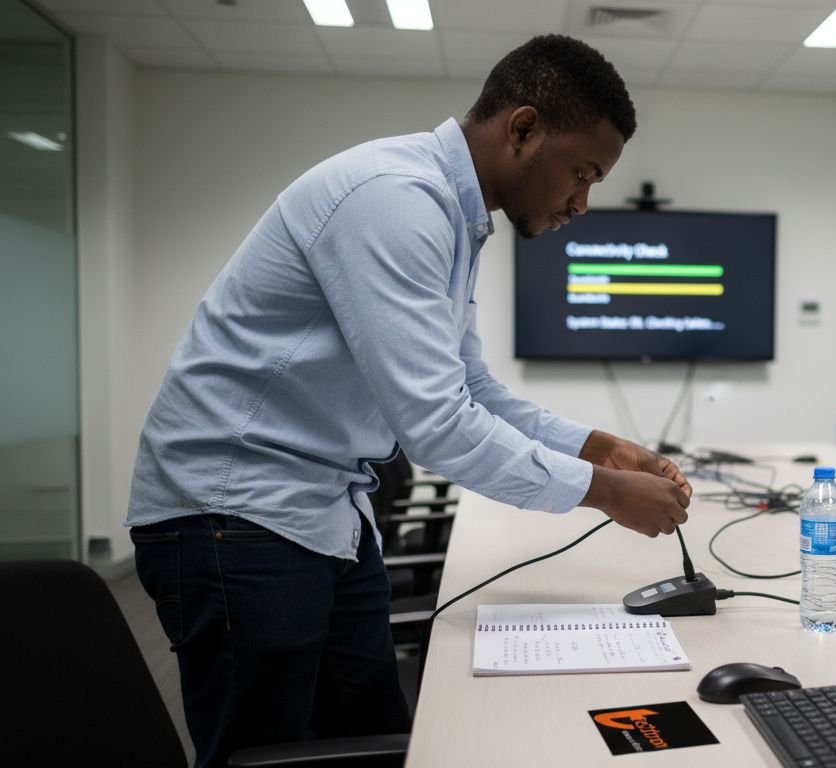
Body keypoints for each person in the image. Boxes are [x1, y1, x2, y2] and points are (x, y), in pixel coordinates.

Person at [125, 35, 691, 767]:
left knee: (369, 739)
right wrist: (606, 492)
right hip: (236, 511)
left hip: (323, 509)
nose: (582, 202)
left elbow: (470, 387)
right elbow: (436, 426)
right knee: (264, 753)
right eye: (581, 173)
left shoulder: (454, 216)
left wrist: (595, 447)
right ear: (522, 130)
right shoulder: (396, 199)